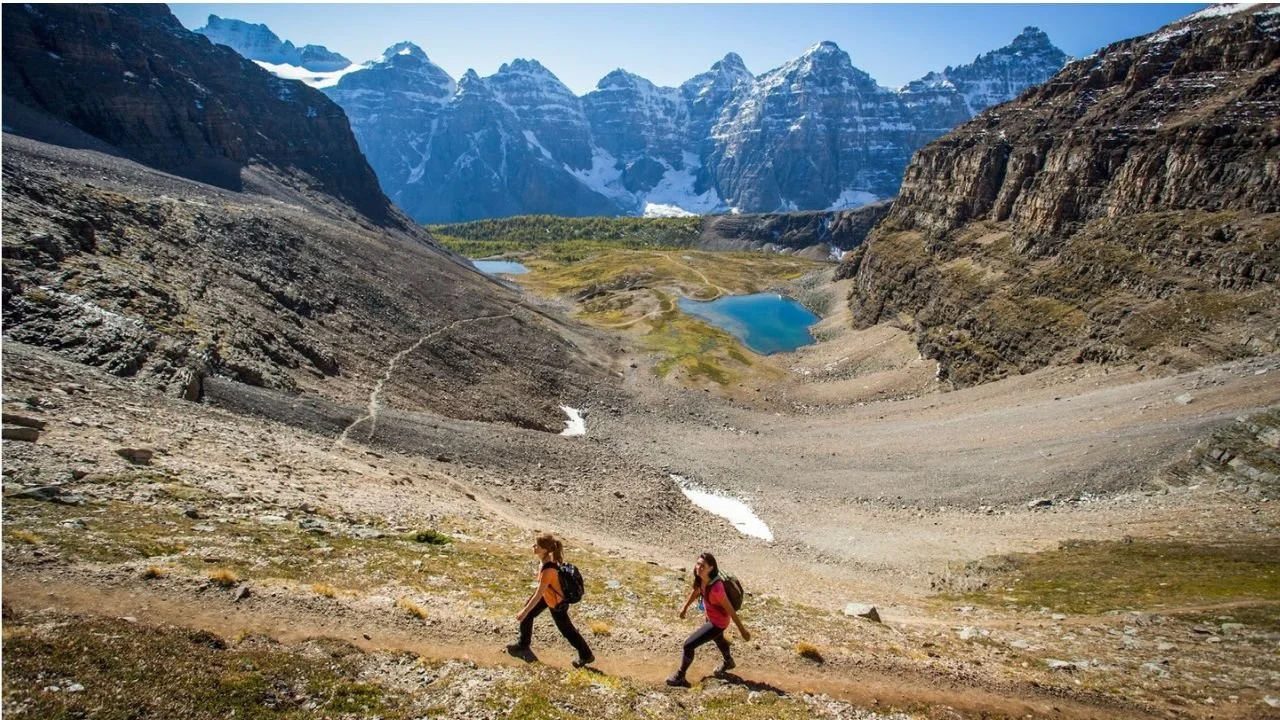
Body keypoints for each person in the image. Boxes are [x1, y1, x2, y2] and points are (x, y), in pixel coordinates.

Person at [507, 532, 595, 667]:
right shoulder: (547, 560)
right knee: (529, 615)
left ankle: (586, 655)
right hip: (548, 597)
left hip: (556, 603)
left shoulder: (548, 570)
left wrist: (523, 611)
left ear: (544, 550)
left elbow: (538, 594)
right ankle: (523, 644)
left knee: (567, 631)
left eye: (537, 545)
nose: (534, 546)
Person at [666, 552, 750, 687]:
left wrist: (742, 630)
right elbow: (697, 591)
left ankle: (680, 676)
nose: (698, 567)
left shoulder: (717, 589)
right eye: (698, 564)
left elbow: (731, 611)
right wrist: (685, 607)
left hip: (718, 623)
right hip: (711, 618)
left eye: (703, 565)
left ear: (711, 568)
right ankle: (728, 661)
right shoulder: (701, 579)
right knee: (718, 639)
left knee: (688, 645)